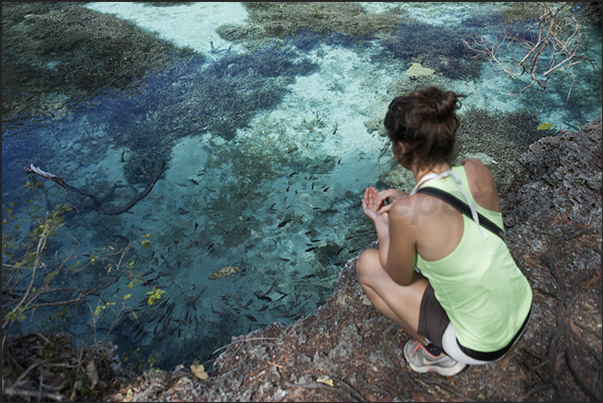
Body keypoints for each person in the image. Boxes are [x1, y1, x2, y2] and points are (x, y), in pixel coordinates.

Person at [356, 86, 533, 376]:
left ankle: (436, 352)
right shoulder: (478, 170)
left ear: (401, 150)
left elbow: (397, 276)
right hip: (522, 307)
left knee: (366, 265)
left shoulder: (407, 214)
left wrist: (381, 222)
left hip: (481, 345)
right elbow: (452, 216)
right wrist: (410, 200)